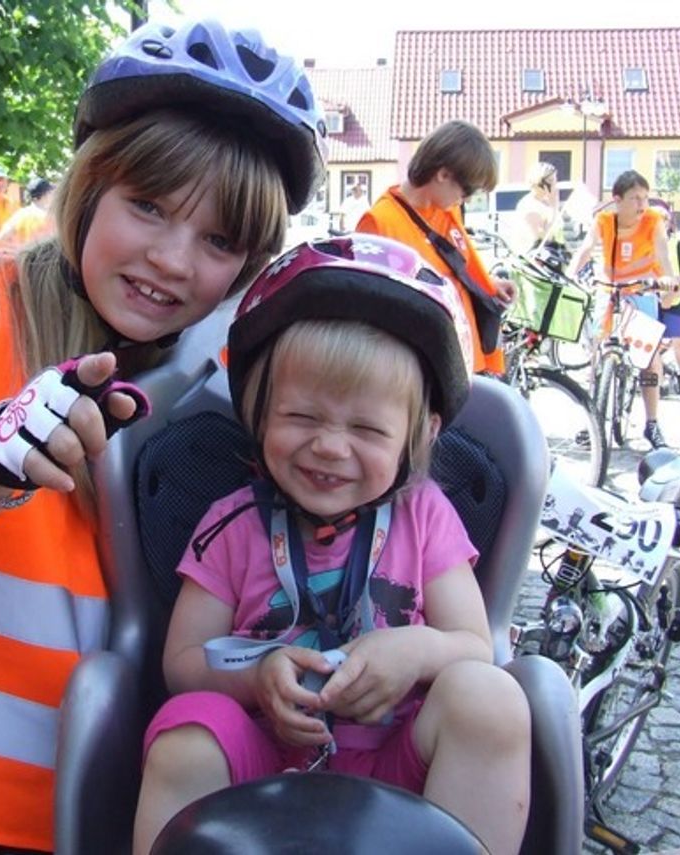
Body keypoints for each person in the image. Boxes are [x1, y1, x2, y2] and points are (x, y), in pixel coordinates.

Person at [0, 17, 325, 854]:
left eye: (219, 239)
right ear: (91, 186)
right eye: (149, 206)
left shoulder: (239, 374)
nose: (170, 258)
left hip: (140, 799)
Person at [132, 233, 531, 855]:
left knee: (490, 697)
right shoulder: (230, 523)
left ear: (419, 436)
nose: (329, 447)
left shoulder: (425, 514)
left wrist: (415, 651)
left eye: (368, 428)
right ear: (258, 412)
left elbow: (474, 647)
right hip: (263, 762)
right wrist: (258, 675)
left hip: (401, 765)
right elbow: (183, 664)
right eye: (301, 418)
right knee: (185, 734)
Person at [355, 120, 515, 375]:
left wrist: (489, 285)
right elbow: (372, 316)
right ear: (443, 174)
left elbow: (457, 269)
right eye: (468, 190)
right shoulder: (378, 223)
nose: (467, 199)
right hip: (427, 372)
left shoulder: (447, 212)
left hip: (468, 364)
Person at [567, 170, 677, 448]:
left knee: (649, 359)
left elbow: (662, 253)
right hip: (609, 289)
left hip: (641, 290)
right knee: (596, 354)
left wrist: (667, 280)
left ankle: (652, 424)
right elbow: (586, 249)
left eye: (645, 198)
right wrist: (569, 275)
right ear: (617, 199)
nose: (642, 204)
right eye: (635, 198)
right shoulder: (604, 220)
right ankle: (590, 422)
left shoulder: (654, 220)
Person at [649, 199, 680, 395]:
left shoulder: (676, 245)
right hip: (651, 300)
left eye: (664, 219)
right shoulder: (645, 244)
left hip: (673, 301)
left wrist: (673, 294)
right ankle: (658, 384)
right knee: (653, 344)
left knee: (677, 341)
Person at [510, 161, 561, 254]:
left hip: (548, 256)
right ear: (540, 183)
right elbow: (544, 239)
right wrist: (554, 206)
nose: (555, 185)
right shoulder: (528, 206)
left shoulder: (545, 202)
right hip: (532, 260)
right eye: (551, 181)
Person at [0, 176, 56, 248]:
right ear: (46, 194)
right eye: (50, 192)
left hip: (22, 257)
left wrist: (16, 249)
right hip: (43, 258)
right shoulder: (50, 217)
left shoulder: (19, 215)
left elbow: (1, 237)